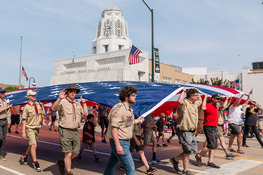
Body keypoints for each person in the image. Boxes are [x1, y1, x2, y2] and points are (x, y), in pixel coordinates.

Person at [103, 86, 144, 175]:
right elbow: (114, 128)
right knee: (130, 168)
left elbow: (128, 123)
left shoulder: (129, 109)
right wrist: (118, 145)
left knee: (111, 164)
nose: (135, 97)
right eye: (133, 95)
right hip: (120, 142)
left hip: (125, 142)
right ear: (126, 97)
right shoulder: (119, 108)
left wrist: (138, 120)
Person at [52, 84, 88, 175]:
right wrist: (59, 98)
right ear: (67, 92)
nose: (73, 93)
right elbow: (53, 108)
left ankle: (61, 162)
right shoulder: (63, 101)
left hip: (75, 130)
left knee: (75, 153)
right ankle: (69, 172)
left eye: (74, 91)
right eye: (71, 91)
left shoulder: (77, 103)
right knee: (68, 153)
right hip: (65, 130)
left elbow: (85, 113)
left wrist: (84, 103)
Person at [170, 87, 202, 175]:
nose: (198, 96)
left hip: (192, 132)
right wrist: (184, 91)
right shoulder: (185, 103)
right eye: (196, 95)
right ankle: (185, 170)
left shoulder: (195, 103)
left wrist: (196, 91)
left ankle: (175, 160)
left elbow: (200, 101)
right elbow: (179, 101)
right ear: (191, 96)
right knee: (187, 151)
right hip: (185, 130)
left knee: (191, 150)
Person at [19, 90, 45, 172]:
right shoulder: (27, 107)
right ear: (28, 97)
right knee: (34, 145)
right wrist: (23, 131)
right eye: (32, 95)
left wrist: (42, 106)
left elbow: (43, 113)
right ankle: (35, 163)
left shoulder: (37, 104)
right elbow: (24, 120)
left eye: (35, 95)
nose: (34, 96)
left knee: (32, 145)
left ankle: (24, 156)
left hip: (36, 128)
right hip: (29, 128)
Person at [195, 94, 221, 168]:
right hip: (208, 127)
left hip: (214, 127)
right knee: (211, 145)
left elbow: (225, 106)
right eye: (217, 99)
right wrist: (205, 97)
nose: (218, 100)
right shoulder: (208, 105)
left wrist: (227, 99)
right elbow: (203, 107)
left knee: (214, 146)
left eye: (219, 99)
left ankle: (210, 162)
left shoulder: (216, 106)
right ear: (213, 99)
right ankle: (199, 155)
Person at [0, 87, 12, 161]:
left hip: (5, 120)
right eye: (2, 92)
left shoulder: (4, 100)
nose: (3, 94)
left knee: (4, 139)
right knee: (0, 138)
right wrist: (6, 108)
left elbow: (5, 111)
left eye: (4, 92)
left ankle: (1, 154)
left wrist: (8, 108)